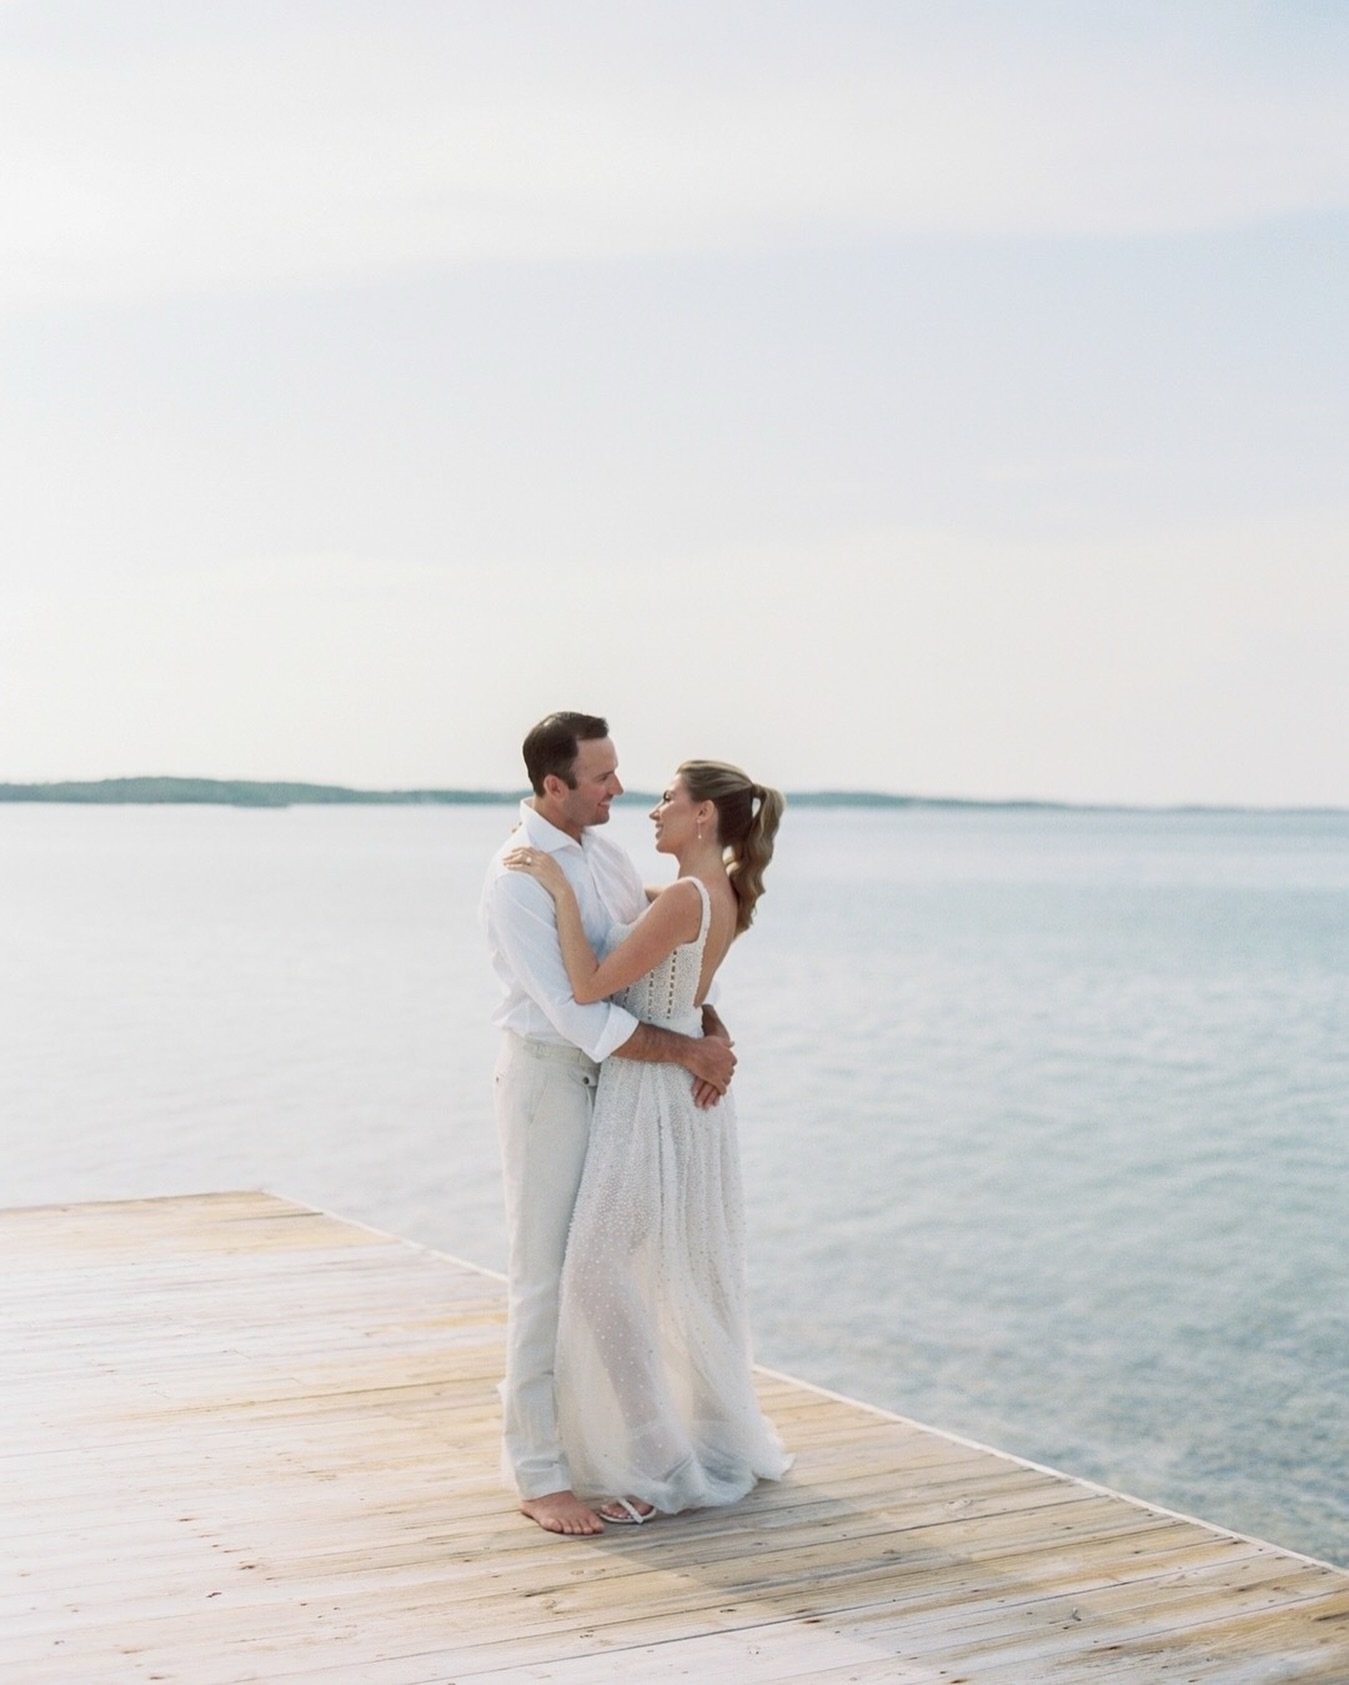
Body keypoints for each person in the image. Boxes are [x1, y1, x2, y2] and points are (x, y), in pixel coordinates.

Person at [504, 759, 791, 1523]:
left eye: (669, 798)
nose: (654, 807)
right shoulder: (701, 893)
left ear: (703, 818)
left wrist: (558, 891)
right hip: (670, 1096)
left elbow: (590, 982)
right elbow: (688, 984)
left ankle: (655, 1444)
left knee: (596, 1266)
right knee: (636, 1266)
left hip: (653, 1102)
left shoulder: (686, 898)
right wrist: (711, 1029)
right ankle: (663, 1434)